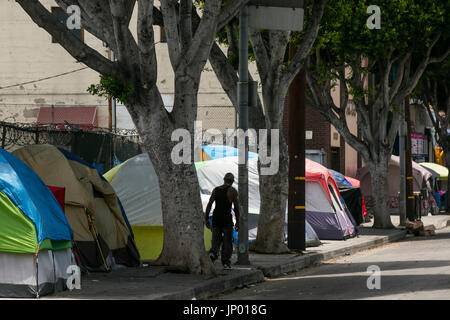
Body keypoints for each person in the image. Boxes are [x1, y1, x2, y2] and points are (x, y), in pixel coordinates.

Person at [204, 172, 240, 270]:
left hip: (216, 218)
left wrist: (206, 218)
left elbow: (209, 204)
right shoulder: (232, 191)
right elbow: (236, 208)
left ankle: (213, 254)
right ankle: (226, 262)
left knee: (216, 239)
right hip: (226, 219)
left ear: (224, 180)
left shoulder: (216, 190)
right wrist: (238, 222)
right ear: (232, 181)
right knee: (227, 241)